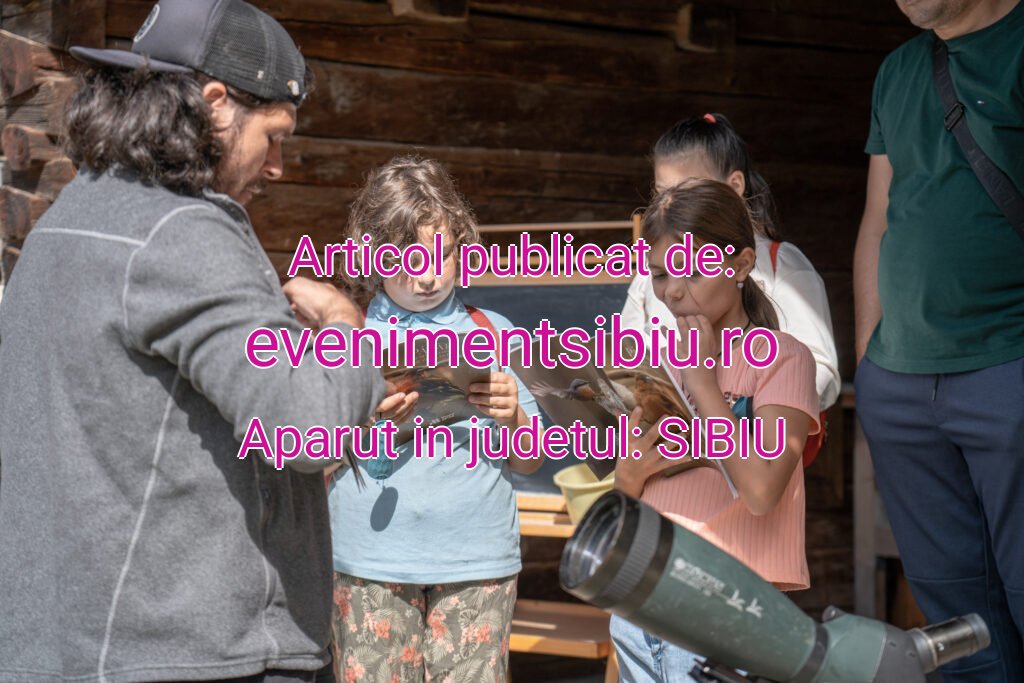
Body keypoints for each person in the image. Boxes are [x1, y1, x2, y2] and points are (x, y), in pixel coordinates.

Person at [0, 1, 386, 680]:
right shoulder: (185, 231)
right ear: (214, 105)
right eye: (274, 135)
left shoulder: (64, 222)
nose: (278, 167)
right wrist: (347, 328)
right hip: (199, 650)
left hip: (77, 645)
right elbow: (308, 428)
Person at [853, 1, 1024, 681]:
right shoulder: (897, 70)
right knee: (957, 624)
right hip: (899, 383)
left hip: (1008, 361)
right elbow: (877, 219)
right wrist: (871, 363)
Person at [324, 156, 542, 682]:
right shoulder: (346, 334)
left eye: (441, 255)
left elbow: (533, 459)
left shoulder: (494, 331)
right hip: (369, 562)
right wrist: (359, 418)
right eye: (407, 258)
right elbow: (309, 458)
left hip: (476, 563)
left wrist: (512, 415)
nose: (427, 276)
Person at [613, 179, 819, 682]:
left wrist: (704, 384)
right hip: (643, 601)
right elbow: (628, 495)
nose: (672, 290)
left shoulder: (783, 359)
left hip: (725, 608)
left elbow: (762, 492)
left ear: (741, 265)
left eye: (691, 270)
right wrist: (630, 474)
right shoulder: (657, 363)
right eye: (660, 274)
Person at [621, 114, 840, 412]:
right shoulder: (651, 276)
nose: (673, 205)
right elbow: (630, 357)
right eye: (663, 194)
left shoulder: (781, 266)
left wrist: (761, 403)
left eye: (689, 190)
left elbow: (818, 365)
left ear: (734, 185)